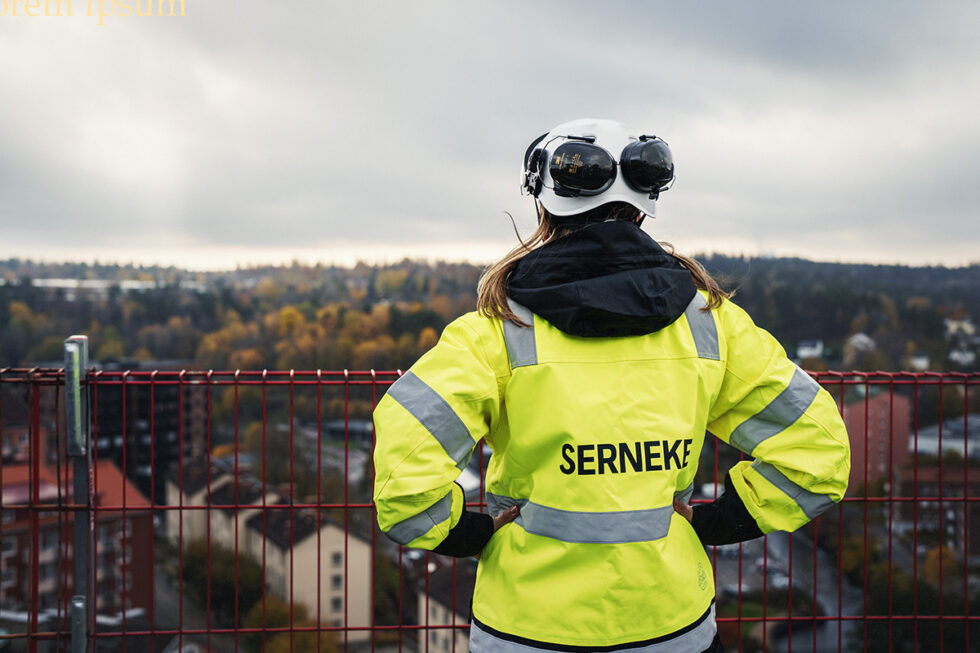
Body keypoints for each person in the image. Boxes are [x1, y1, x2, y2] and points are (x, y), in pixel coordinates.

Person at [373, 119, 850, 652]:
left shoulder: (494, 333)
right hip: (672, 627)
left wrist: (472, 534)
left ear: (542, 207)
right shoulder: (712, 326)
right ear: (645, 206)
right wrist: (714, 523)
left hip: (527, 628)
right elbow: (819, 451)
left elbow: (404, 481)